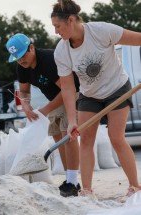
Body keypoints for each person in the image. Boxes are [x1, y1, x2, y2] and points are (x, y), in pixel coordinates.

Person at [51, 0, 141, 198]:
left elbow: (139, 39)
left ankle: (135, 187)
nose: (56, 31)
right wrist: (72, 120)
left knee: (116, 138)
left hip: (117, 89)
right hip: (89, 95)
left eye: (58, 26)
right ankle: (87, 190)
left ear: (71, 20)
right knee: (85, 141)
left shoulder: (101, 31)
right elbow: (67, 87)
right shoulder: (61, 50)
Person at [6, 33, 80, 197]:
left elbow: (67, 89)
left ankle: (73, 180)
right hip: (53, 99)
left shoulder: (48, 60)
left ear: (31, 48)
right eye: (17, 58)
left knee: (67, 136)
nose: (21, 61)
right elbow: (24, 91)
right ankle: (70, 179)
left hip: (72, 95)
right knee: (57, 139)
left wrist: (45, 110)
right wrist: (25, 105)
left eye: (23, 56)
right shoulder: (22, 68)